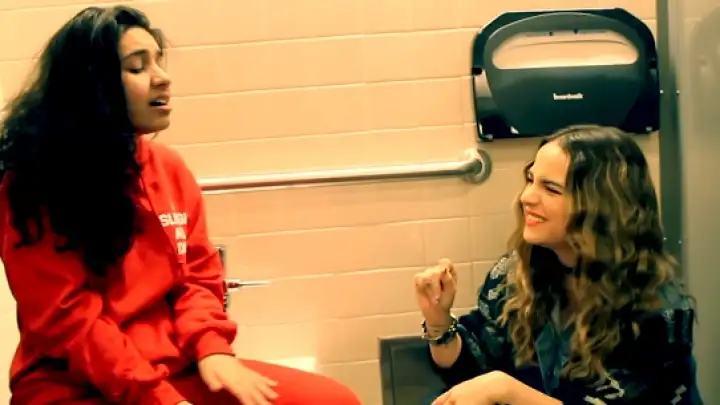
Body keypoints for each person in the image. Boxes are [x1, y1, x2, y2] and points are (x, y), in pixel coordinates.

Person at [0, 6, 361, 405]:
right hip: (76, 386)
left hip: (174, 368)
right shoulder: (34, 185)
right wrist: (159, 398)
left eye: (159, 61)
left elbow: (198, 275)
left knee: (333, 400)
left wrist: (212, 347)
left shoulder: (168, 168)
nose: (162, 77)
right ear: (92, 86)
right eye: (137, 67)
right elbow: (69, 320)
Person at [414, 125, 703, 404]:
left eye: (551, 189)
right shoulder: (516, 274)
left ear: (601, 208)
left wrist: (506, 390)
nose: (526, 197)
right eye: (531, 180)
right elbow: (471, 372)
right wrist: (439, 321)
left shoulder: (656, 311)